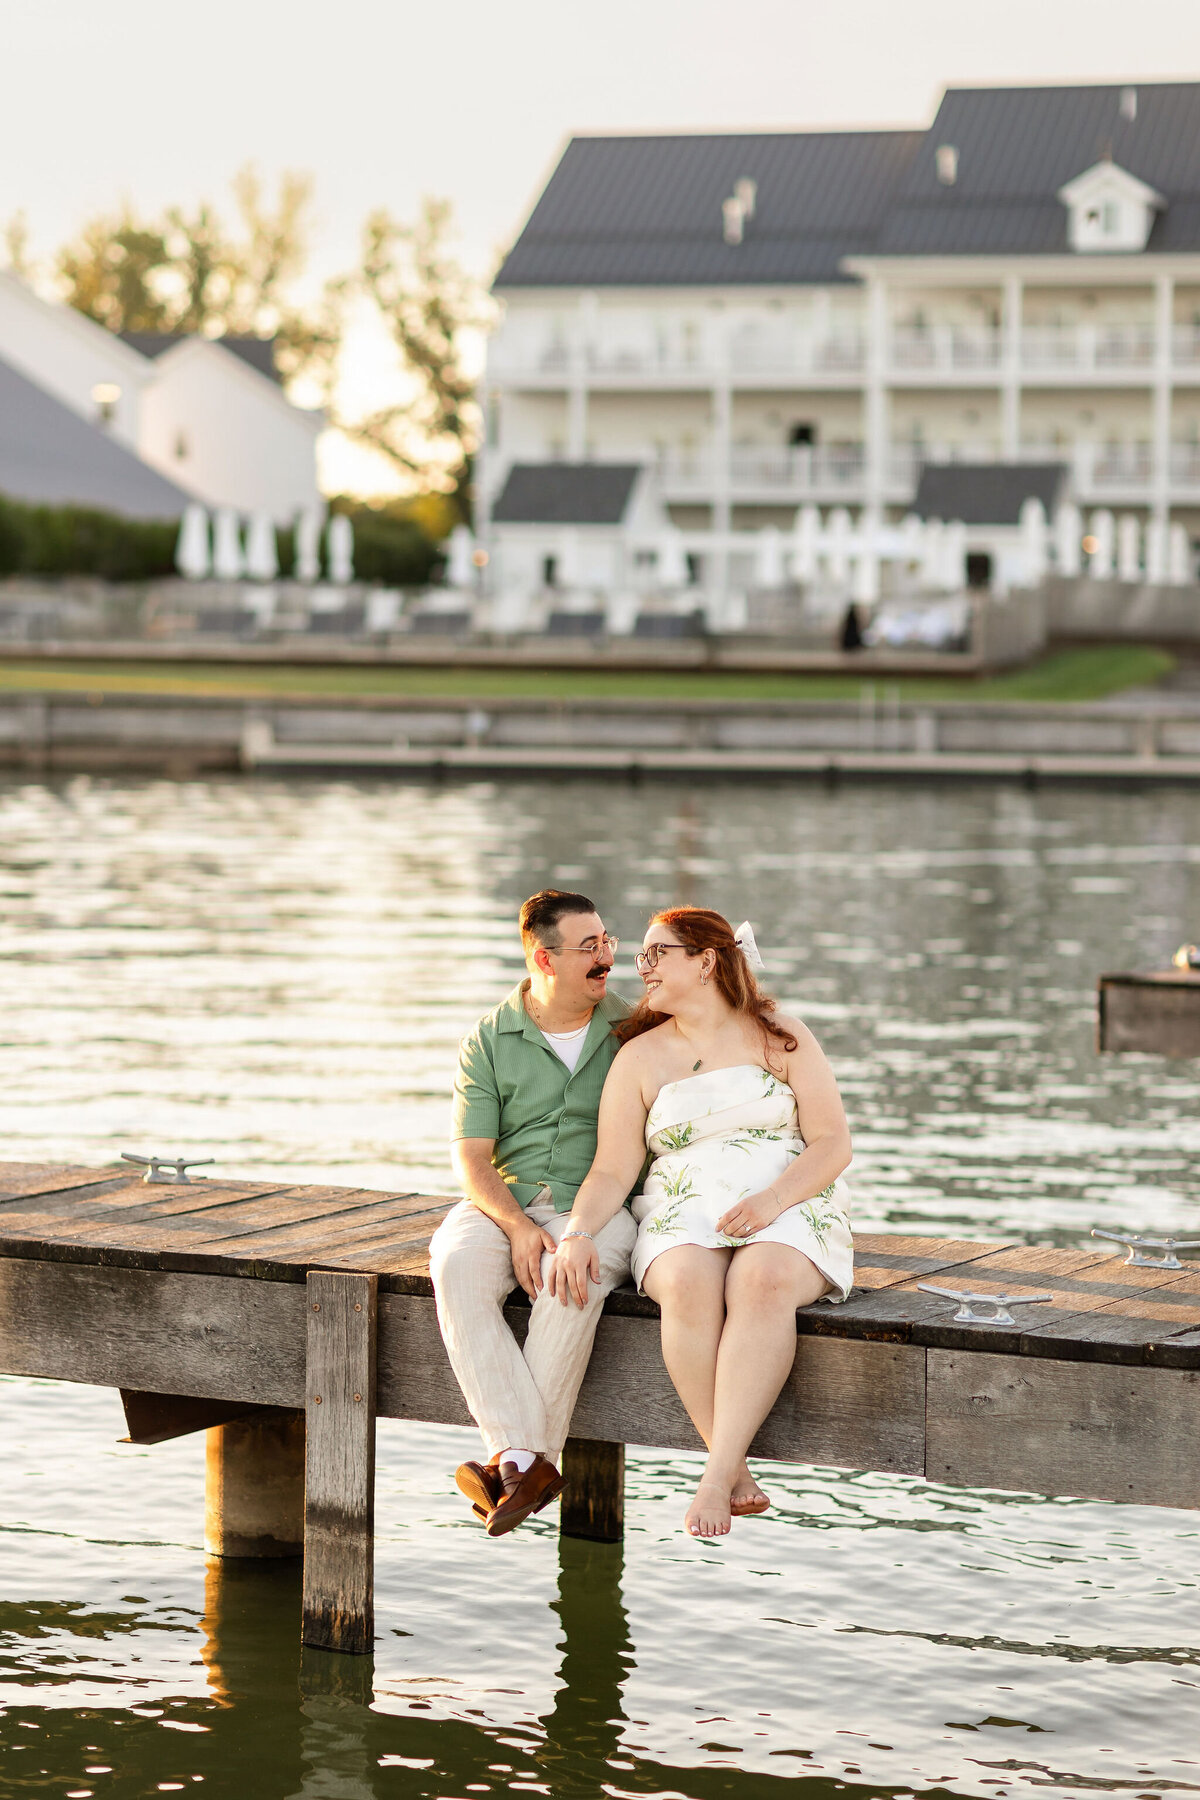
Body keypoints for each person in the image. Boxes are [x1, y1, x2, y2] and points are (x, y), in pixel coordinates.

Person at [548, 906, 853, 1541]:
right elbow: (611, 1169)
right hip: (683, 1208)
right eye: (643, 956)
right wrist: (576, 1232)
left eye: (658, 954)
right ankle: (730, 1466)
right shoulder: (637, 1057)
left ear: (706, 961)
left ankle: (714, 1477)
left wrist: (772, 1203)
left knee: (760, 1280)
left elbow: (831, 1144)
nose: (643, 967)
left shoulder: (782, 1035)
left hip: (788, 1203)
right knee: (687, 1282)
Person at [429, 890, 638, 1537]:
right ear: (543, 960)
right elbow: (471, 1157)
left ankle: (513, 1462)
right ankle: (531, 1460)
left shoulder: (633, 1029)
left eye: (605, 941)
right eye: (588, 948)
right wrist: (517, 1226)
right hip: (503, 1203)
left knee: (575, 1276)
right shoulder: (490, 1039)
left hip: (596, 1206)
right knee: (455, 1266)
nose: (606, 957)